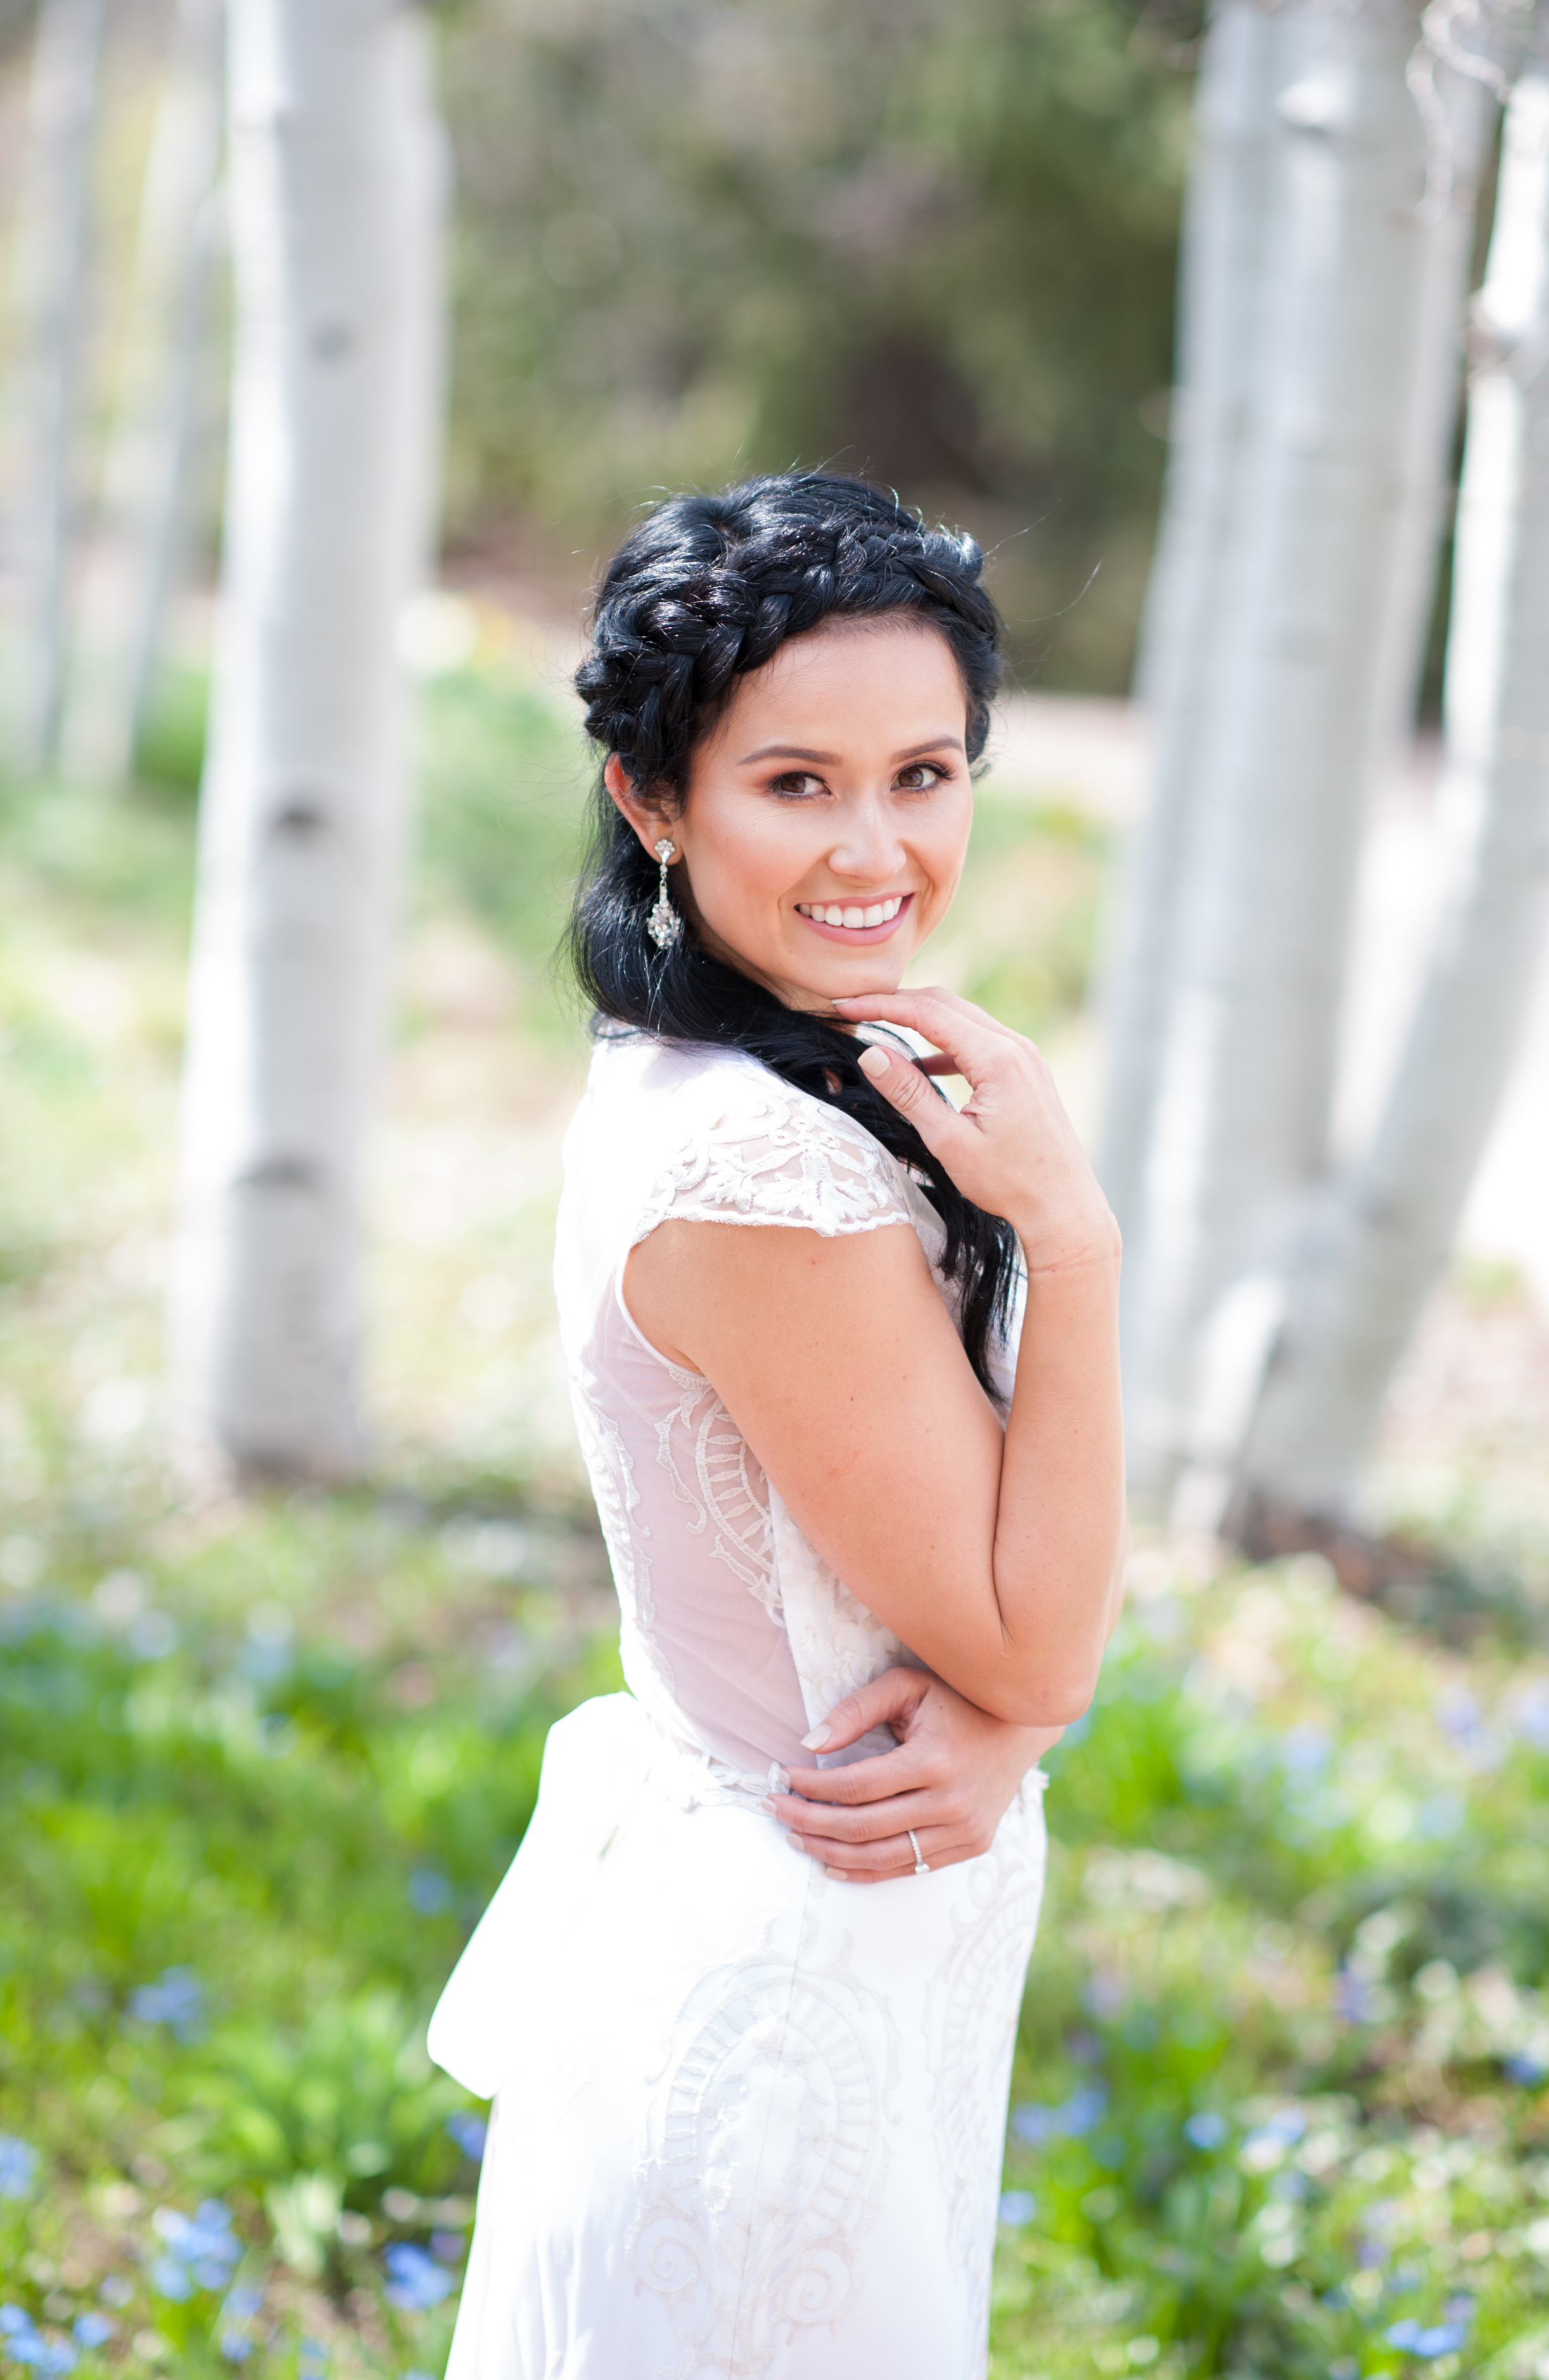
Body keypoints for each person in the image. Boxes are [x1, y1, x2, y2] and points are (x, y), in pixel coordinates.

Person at [427, 471, 1127, 2380]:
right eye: (793, 783)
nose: (876, 849)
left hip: (824, 1966)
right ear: (653, 798)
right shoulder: (751, 1170)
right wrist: (1073, 1239)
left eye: (925, 773)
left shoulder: (750, 1068)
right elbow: (1032, 1633)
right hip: (778, 2011)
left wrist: (1005, 1712)